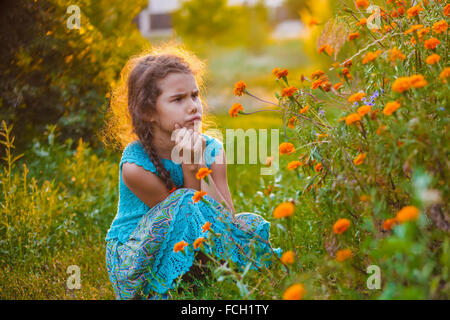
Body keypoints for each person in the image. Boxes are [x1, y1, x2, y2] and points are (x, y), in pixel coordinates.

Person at [104, 46, 281, 300]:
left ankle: (211, 281)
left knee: (248, 223)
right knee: (187, 203)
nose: (193, 107)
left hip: (193, 239)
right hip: (138, 259)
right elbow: (186, 216)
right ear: (148, 112)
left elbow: (223, 218)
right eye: (178, 99)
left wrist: (201, 165)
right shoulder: (135, 167)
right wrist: (191, 167)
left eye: (195, 96)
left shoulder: (212, 149)